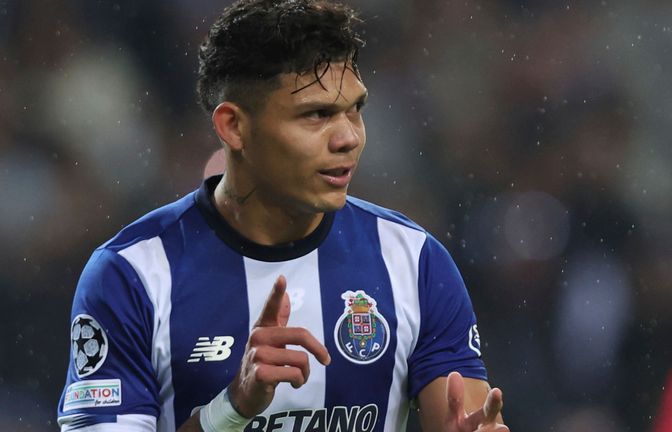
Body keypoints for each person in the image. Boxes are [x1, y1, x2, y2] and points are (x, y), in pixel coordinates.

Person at [57, 0, 509, 431]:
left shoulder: (414, 262)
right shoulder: (132, 275)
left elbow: (464, 416)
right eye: (316, 115)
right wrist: (229, 411)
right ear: (233, 127)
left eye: (356, 110)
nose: (348, 138)